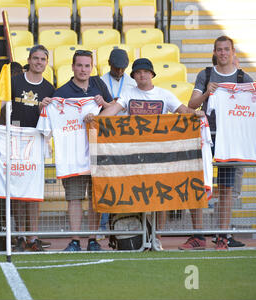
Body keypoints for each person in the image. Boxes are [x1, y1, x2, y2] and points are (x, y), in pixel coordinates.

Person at [86, 58, 205, 251]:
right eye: (138, 72)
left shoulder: (164, 94)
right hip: (134, 158)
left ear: (152, 74)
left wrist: (195, 114)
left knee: (161, 198)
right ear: (134, 76)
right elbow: (113, 111)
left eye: (145, 72)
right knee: (140, 196)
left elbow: (182, 111)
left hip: (160, 157)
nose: (142, 75)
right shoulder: (128, 93)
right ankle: (142, 236)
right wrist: (95, 121)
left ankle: (156, 237)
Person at [0, 45, 55, 251]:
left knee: (34, 193)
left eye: (43, 59)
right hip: (14, 142)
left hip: (36, 143)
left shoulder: (49, 88)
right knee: (17, 192)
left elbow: (53, 118)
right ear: (29, 60)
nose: (39, 62)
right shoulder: (14, 82)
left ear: (46, 63)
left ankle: (33, 237)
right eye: (36, 58)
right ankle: (19, 234)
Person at [182, 35, 252, 250]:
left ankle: (222, 236)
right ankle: (199, 235)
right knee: (198, 184)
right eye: (219, 50)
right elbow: (191, 105)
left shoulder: (243, 78)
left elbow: (252, 108)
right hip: (205, 137)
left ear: (233, 52)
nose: (222, 53)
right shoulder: (205, 74)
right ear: (214, 52)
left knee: (226, 188)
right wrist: (206, 94)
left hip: (230, 139)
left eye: (226, 49)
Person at [49, 49, 123, 251]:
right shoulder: (61, 94)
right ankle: (74, 240)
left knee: (95, 199)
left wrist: (104, 105)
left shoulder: (99, 86)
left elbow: (113, 112)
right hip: (72, 155)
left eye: (87, 66)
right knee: (74, 199)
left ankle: (92, 239)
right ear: (72, 67)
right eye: (79, 65)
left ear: (92, 67)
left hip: (97, 152)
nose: (83, 69)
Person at [98, 48, 137, 239]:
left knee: (124, 181)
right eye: (117, 68)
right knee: (106, 181)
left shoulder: (132, 82)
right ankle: (102, 226)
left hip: (126, 136)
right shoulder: (100, 81)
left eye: (123, 69)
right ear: (109, 64)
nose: (120, 72)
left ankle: (124, 224)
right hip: (106, 137)